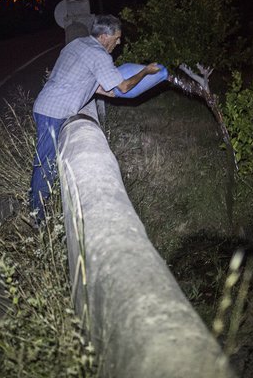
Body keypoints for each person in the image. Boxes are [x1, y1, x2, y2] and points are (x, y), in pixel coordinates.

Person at [30, 14, 160, 222]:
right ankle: (37, 217)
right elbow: (125, 86)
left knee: (48, 162)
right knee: (45, 165)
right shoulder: (100, 55)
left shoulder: (77, 44)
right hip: (53, 113)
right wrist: (145, 71)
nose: (119, 42)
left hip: (46, 106)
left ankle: (40, 210)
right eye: (117, 38)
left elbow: (91, 83)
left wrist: (112, 91)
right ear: (103, 37)